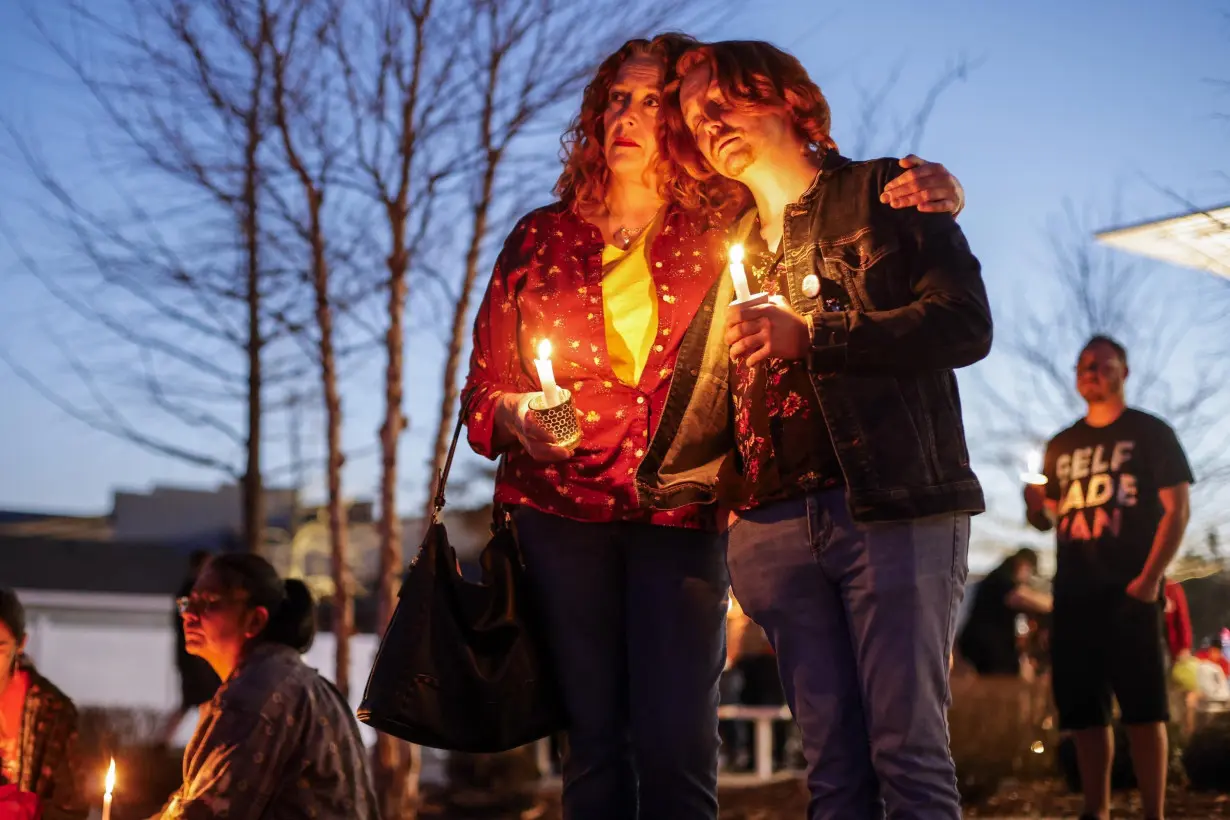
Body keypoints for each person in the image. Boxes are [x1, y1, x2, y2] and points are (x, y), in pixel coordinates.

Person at [461, 32, 965, 820]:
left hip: (684, 508)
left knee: (678, 739)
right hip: (559, 511)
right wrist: (517, 415)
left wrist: (931, 186)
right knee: (593, 741)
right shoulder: (539, 237)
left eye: (658, 103)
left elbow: (815, 192)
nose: (630, 116)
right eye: (617, 100)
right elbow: (483, 393)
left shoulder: (724, 222)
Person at [636, 38, 991, 820]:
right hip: (770, 526)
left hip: (890, 506)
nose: (711, 119)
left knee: (909, 755)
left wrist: (818, 335)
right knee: (831, 772)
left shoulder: (882, 193)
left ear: (789, 97)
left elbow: (964, 325)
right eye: (697, 116)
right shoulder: (726, 244)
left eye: (727, 97)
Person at [1024, 335, 1193, 820]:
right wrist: (1036, 507)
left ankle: (1153, 812)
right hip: (1074, 596)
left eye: (1102, 363)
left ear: (1125, 371)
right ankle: (1095, 810)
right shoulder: (1062, 443)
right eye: (1083, 364)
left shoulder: (1150, 433)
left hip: (1131, 593)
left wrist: (1148, 582)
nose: (1090, 371)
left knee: (1144, 709)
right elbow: (1051, 518)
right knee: (1083, 712)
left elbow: (1177, 510)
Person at [155, 554, 378, 819]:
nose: (189, 615)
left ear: (255, 621)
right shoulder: (292, 681)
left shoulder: (260, 692)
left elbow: (210, 811)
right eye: (188, 602)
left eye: (209, 602)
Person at [0, 589, 87, 820]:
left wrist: (26, 810)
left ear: (20, 644)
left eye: (0, 646)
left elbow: (72, 804)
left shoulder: (52, 711)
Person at [157, 550, 221, 748]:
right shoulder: (188, 592)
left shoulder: (193, 592)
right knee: (200, 701)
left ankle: (165, 741)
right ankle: (168, 742)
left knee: (200, 702)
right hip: (194, 658)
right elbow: (187, 619)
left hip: (197, 657)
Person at [957, 548, 1052, 677]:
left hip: (983, 643)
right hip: (987, 644)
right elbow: (1018, 597)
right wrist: (1052, 604)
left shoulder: (997, 576)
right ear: (1024, 565)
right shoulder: (1002, 577)